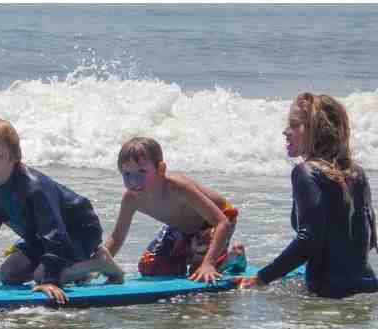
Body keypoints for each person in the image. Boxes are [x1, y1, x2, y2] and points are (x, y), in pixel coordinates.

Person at [0, 118, 125, 305]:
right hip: (40, 239)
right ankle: (76, 270)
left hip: (79, 232)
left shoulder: (34, 187)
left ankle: (99, 263)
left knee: (41, 276)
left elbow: (55, 232)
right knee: (7, 275)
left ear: (14, 155)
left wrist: (50, 281)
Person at [235, 93, 378, 298]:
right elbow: (370, 238)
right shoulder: (357, 173)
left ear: (315, 130)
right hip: (369, 287)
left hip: (328, 293)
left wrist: (261, 278)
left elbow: (309, 239)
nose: (286, 132)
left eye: (294, 125)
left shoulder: (306, 172)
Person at [104, 137, 244, 284]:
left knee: (200, 272)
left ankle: (233, 257)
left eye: (142, 171)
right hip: (181, 228)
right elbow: (116, 238)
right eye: (127, 174)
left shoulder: (177, 187)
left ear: (161, 169)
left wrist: (209, 264)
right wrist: (98, 264)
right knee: (149, 268)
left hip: (216, 221)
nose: (134, 181)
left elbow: (222, 222)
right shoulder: (131, 199)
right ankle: (192, 252)